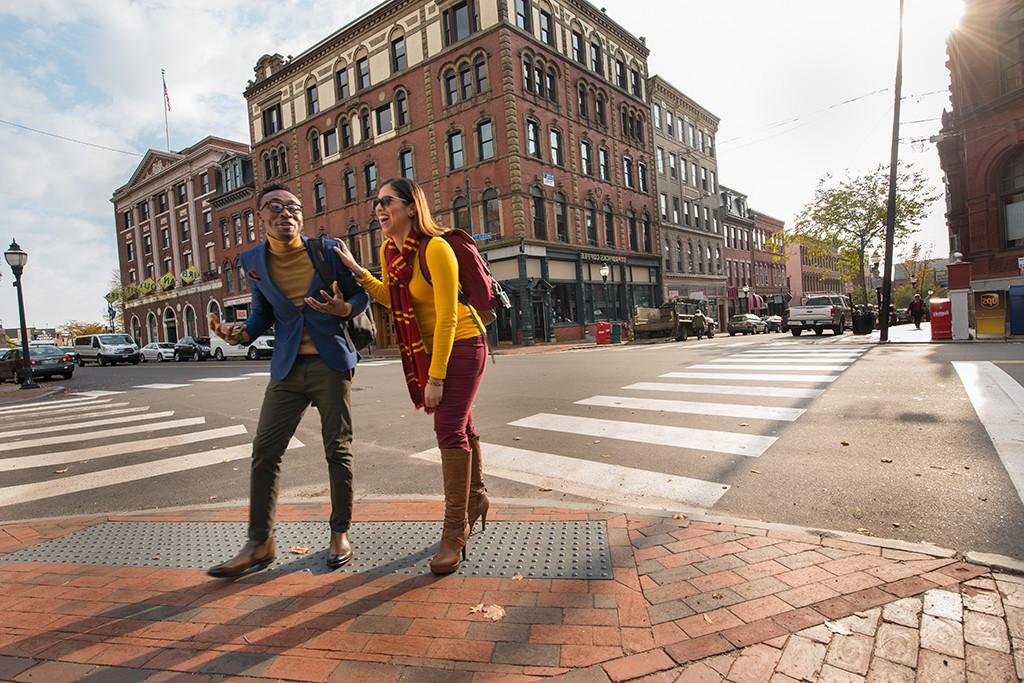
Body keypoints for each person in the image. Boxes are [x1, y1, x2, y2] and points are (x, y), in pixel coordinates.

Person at [206, 183, 368, 578]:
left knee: (338, 450)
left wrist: (342, 307)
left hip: (330, 364)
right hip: (287, 368)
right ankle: (260, 542)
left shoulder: (327, 252)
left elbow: (361, 295)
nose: (285, 214)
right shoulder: (253, 261)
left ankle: (340, 532)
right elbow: (262, 314)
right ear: (259, 217)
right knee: (264, 451)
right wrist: (239, 333)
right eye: (274, 207)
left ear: (301, 214)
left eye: (292, 207)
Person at [334, 177, 488, 575]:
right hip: (432, 345)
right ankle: (477, 497)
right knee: (462, 424)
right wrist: (357, 270)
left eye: (387, 201)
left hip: (464, 343)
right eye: (376, 203)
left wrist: (435, 378)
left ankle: (455, 532)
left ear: (410, 206)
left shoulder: (436, 248)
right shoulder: (390, 252)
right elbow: (391, 296)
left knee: (449, 428)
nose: (379, 209)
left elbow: (449, 316)